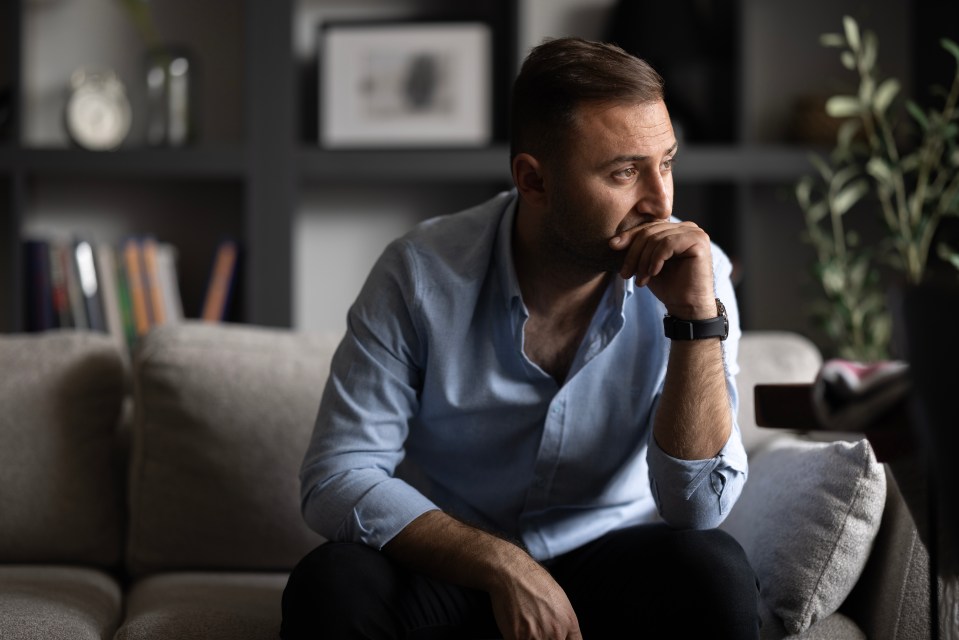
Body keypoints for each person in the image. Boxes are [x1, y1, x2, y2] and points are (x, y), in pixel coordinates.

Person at [282, 37, 759, 639]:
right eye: (623, 172)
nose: (661, 201)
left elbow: (698, 509)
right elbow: (338, 475)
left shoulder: (700, 275)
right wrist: (501, 565)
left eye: (665, 163)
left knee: (713, 573)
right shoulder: (420, 274)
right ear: (533, 180)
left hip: (612, 568)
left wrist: (695, 319)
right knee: (333, 584)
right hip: (458, 570)